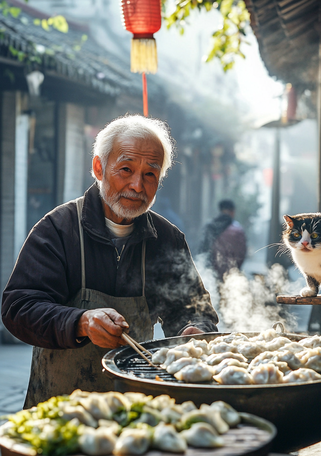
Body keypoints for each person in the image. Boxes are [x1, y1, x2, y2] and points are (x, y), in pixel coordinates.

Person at [1, 114, 218, 408]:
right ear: (98, 167)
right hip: (59, 407)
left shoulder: (166, 239)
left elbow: (194, 309)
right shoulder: (58, 229)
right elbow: (19, 308)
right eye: (126, 169)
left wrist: (193, 329)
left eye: (150, 174)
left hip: (134, 408)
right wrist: (80, 321)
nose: (137, 186)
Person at [199, 199, 247, 279]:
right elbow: (241, 254)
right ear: (232, 212)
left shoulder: (209, 226)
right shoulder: (237, 230)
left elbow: (202, 250)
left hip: (211, 273)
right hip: (230, 274)